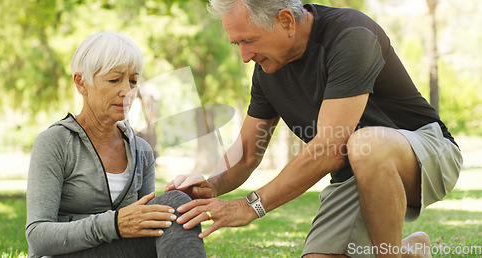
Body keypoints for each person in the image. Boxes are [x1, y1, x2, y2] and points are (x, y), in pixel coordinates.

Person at [165, 1, 463, 257]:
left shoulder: (351, 35)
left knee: (363, 144)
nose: (244, 56)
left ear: (285, 20)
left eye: (249, 41)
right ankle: (411, 250)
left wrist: (250, 206)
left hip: (427, 151)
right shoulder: (267, 70)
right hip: (354, 174)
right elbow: (247, 154)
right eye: (237, 44)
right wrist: (211, 185)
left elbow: (330, 148)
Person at [25, 32, 206, 258]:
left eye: (132, 81)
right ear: (81, 83)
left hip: (119, 251)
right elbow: (38, 236)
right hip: (65, 254)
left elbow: (149, 226)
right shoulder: (55, 143)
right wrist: (115, 224)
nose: (126, 91)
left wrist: (179, 202)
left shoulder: (142, 151)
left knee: (176, 205)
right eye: (114, 80)